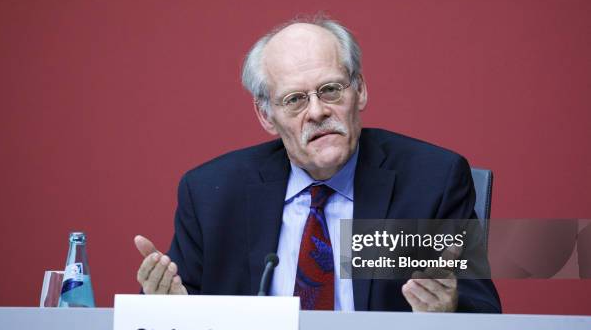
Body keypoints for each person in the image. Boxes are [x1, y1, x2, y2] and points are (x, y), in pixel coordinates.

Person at [135, 16, 501, 313]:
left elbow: (483, 314)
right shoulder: (211, 195)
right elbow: (182, 312)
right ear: (266, 116)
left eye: (330, 90)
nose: (317, 112)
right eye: (294, 99)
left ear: (360, 90)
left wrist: (447, 311)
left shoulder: (430, 182)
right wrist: (171, 312)